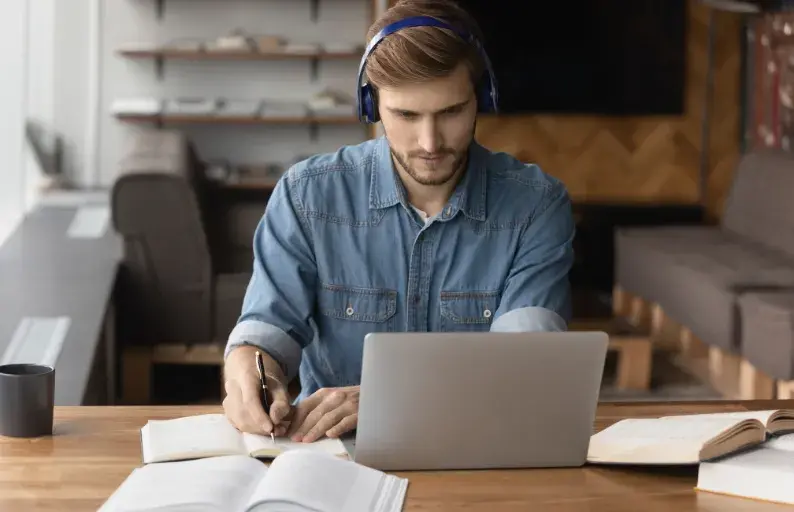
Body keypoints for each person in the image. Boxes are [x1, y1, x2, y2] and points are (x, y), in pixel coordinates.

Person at [222, 0, 575, 444]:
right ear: (372, 104)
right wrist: (252, 371)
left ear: (482, 99)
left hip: (480, 449)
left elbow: (526, 368)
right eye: (406, 115)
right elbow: (265, 330)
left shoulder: (536, 206)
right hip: (334, 458)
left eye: (451, 112)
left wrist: (391, 402)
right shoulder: (306, 195)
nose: (430, 142)